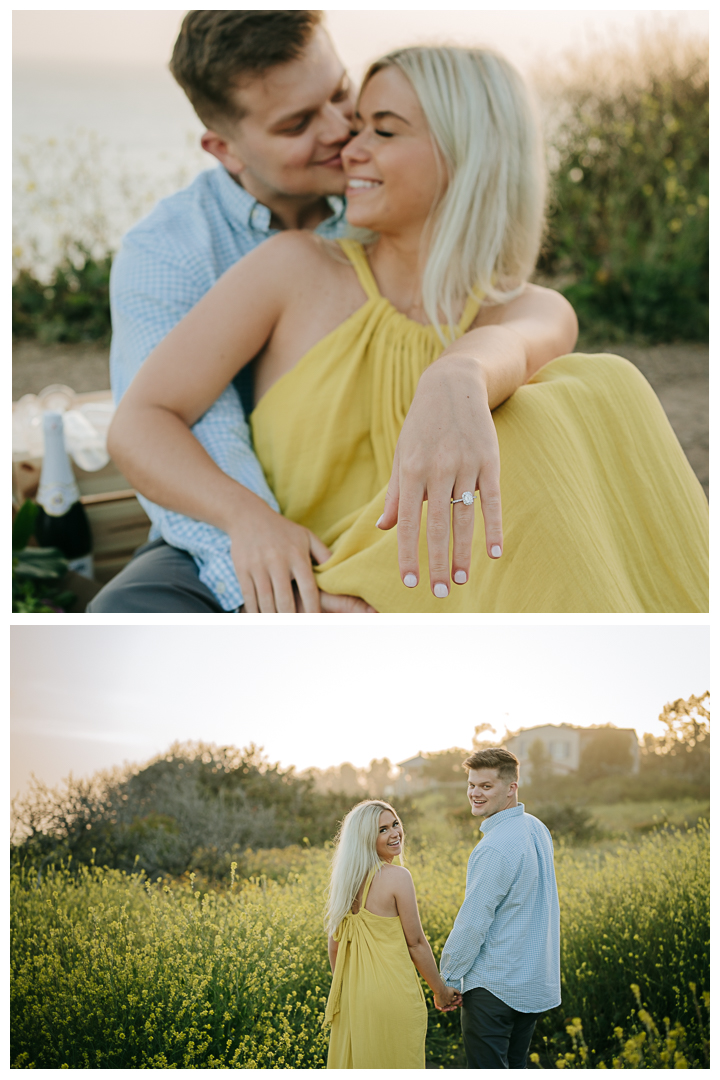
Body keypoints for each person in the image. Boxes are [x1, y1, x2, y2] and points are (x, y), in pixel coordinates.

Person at [107, 43, 708, 613]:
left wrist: (456, 372)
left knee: (590, 386)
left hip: (454, 594)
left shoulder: (527, 309)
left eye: (382, 130)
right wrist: (250, 519)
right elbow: (140, 421)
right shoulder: (290, 267)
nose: (348, 146)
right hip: (319, 584)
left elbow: (518, 339)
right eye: (359, 123)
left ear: (467, 152)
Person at [440, 748, 560, 1069]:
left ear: (511, 788)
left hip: (493, 987)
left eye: (486, 786)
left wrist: (448, 978)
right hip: (530, 982)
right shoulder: (536, 828)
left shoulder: (494, 847)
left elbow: (473, 923)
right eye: (471, 785)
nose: (475, 794)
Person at [324, 800, 460, 1068]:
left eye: (395, 824)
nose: (395, 833)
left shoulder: (344, 883)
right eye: (382, 829)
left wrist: (354, 988)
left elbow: (335, 948)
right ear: (365, 839)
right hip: (394, 995)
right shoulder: (397, 877)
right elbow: (417, 944)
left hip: (354, 1000)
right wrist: (440, 991)